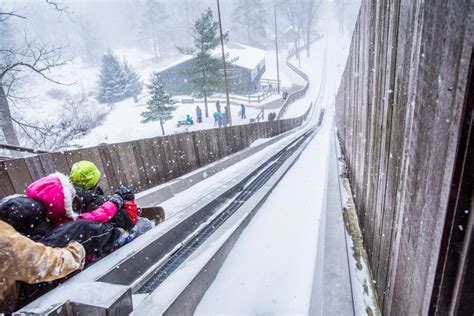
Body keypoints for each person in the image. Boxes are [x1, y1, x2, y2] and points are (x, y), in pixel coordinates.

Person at [0, 220, 85, 314]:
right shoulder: (3, 237)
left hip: (10, 290)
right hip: (10, 302)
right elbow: (43, 264)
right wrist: (75, 253)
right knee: (80, 228)